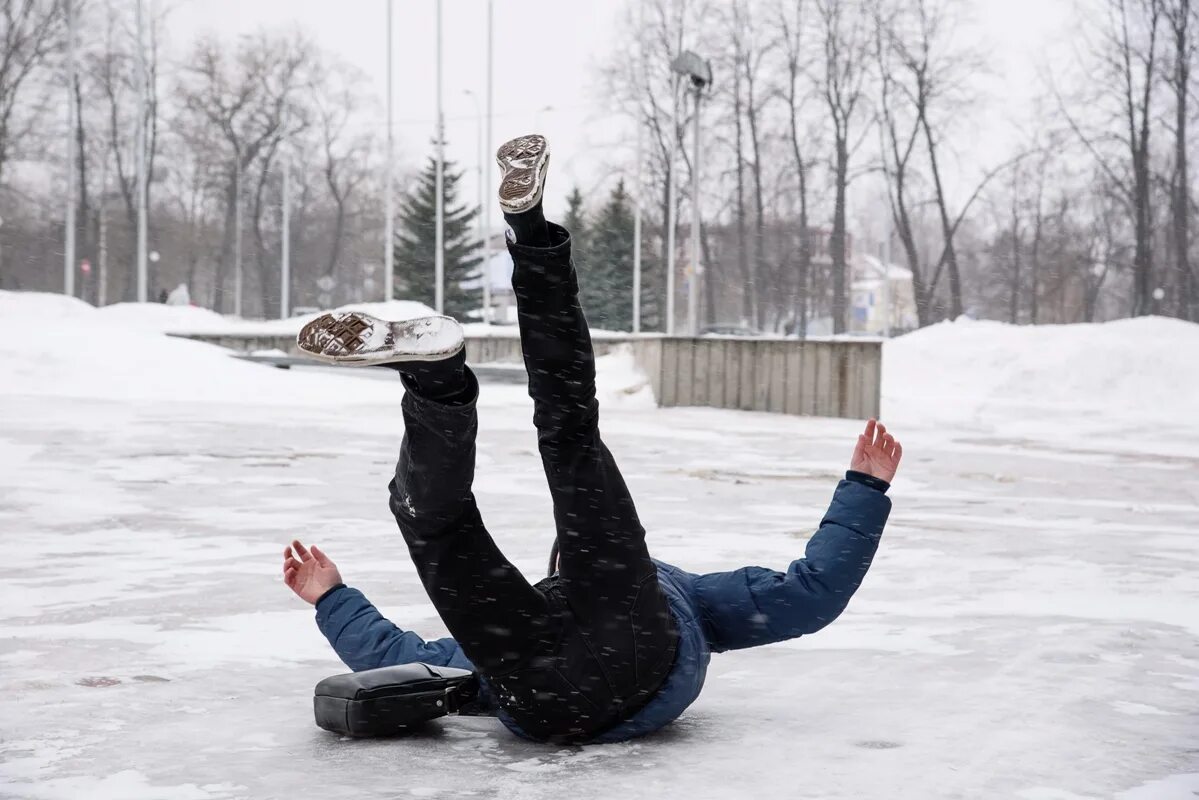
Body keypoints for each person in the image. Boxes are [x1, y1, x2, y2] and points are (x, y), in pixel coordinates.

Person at [284, 134, 902, 744]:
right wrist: (865, 489)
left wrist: (332, 597)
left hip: (538, 689)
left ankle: (449, 369)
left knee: (509, 471)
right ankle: (470, 328)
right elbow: (811, 592)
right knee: (507, 475)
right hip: (612, 668)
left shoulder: (609, 590)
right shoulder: (685, 594)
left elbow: (401, 653)